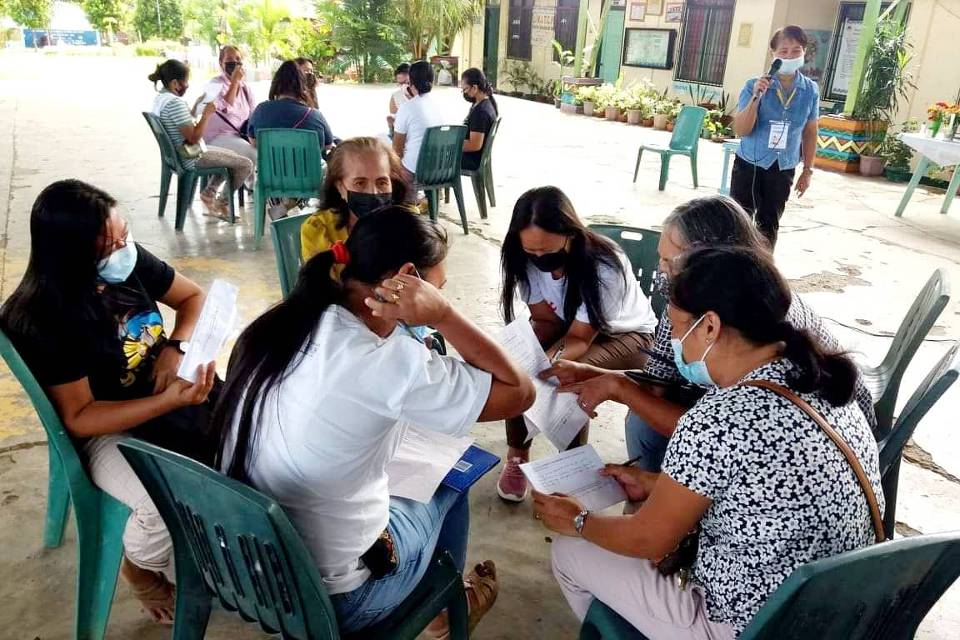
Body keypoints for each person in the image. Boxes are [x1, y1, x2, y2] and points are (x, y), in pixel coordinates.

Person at [215, 209, 535, 636]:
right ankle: (444, 609)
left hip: (242, 567)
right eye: (438, 290)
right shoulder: (389, 360)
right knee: (455, 475)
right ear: (408, 279)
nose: (439, 301)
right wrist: (443, 317)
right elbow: (520, 392)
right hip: (332, 600)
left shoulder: (282, 323)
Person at [537, 245, 883, 639]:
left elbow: (649, 540)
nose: (676, 343)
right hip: (839, 611)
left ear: (710, 327)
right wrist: (655, 485)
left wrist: (578, 520)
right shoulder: (821, 379)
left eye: (676, 326)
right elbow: (764, 492)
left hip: (755, 624)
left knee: (570, 552)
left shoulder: (718, 417)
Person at [0, 180, 220, 624]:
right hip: (107, 429)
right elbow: (80, 418)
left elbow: (192, 296)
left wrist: (175, 347)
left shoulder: (128, 262)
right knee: (162, 507)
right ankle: (139, 566)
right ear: (72, 256)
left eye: (124, 236)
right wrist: (169, 402)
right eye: (108, 247)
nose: (123, 250)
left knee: (252, 433)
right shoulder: (45, 317)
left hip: (159, 394)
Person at [545, 196, 877, 475]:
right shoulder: (761, 294)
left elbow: (703, 425)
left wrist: (616, 386)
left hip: (805, 459)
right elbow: (659, 383)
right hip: (831, 444)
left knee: (643, 425)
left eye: (667, 259)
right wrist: (602, 378)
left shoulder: (744, 390)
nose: (661, 270)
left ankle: (664, 514)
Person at [496, 186, 658, 503]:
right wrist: (531, 358)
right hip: (572, 327)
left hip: (628, 336)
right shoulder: (523, 258)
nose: (539, 259)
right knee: (515, 366)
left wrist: (549, 363)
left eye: (547, 250)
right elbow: (545, 318)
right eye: (532, 253)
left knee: (571, 378)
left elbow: (581, 338)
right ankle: (517, 453)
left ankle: (571, 467)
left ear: (570, 234)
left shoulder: (605, 266)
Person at [731, 25, 819, 248]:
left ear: (804, 53)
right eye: (784, 51)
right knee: (737, 223)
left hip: (783, 167)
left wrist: (807, 170)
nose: (789, 55)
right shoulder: (753, 85)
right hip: (750, 163)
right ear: (773, 55)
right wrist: (756, 97)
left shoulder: (810, 90)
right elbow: (741, 130)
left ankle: (762, 273)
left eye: (796, 50)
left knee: (769, 225)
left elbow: (810, 132)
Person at [149, 60, 253, 220]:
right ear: (175, 83)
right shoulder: (175, 103)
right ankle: (222, 202)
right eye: (186, 81)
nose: (187, 85)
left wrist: (196, 106)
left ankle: (209, 194)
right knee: (245, 163)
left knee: (231, 156)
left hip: (179, 154)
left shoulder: (161, 99)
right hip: (191, 156)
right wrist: (206, 115)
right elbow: (193, 138)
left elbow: (184, 124)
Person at [300, 137, 411, 261]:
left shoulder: (410, 222)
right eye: (360, 183)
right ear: (340, 187)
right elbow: (320, 279)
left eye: (382, 182)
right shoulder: (318, 229)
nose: (373, 192)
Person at [248, 60, 337, 152]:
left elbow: (253, 141)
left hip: (270, 166)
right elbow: (328, 145)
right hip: (308, 166)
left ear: (275, 83)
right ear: (302, 85)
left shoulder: (261, 110)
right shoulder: (314, 115)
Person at [199, 45, 258, 175]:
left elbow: (254, 114)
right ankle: (221, 191)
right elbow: (225, 105)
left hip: (239, 135)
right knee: (253, 155)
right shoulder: (214, 84)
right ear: (221, 62)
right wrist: (235, 81)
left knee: (263, 151)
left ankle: (251, 189)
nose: (235, 63)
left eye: (238, 59)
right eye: (230, 59)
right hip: (217, 137)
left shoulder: (245, 88)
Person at [393, 60, 447, 183]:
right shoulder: (436, 105)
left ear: (410, 81)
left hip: (415, 170)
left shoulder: (407, 107)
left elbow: (397, 149)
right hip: (439, 167)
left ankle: (408, 198)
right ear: (432, 81)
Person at [460, 68, 499, 171]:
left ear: (474, 88)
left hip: (471, 159)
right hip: (473, 156)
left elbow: (475, 145)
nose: (464, 93)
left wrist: (453, 144)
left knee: (435, 158)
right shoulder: (485, 102)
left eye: (465, 89)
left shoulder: (481, 112)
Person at [387, 62, 413, 132]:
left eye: (407, 83)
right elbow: (393, 116)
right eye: (400, 84)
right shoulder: (396, 96)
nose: (404, 86)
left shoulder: (423, 96)